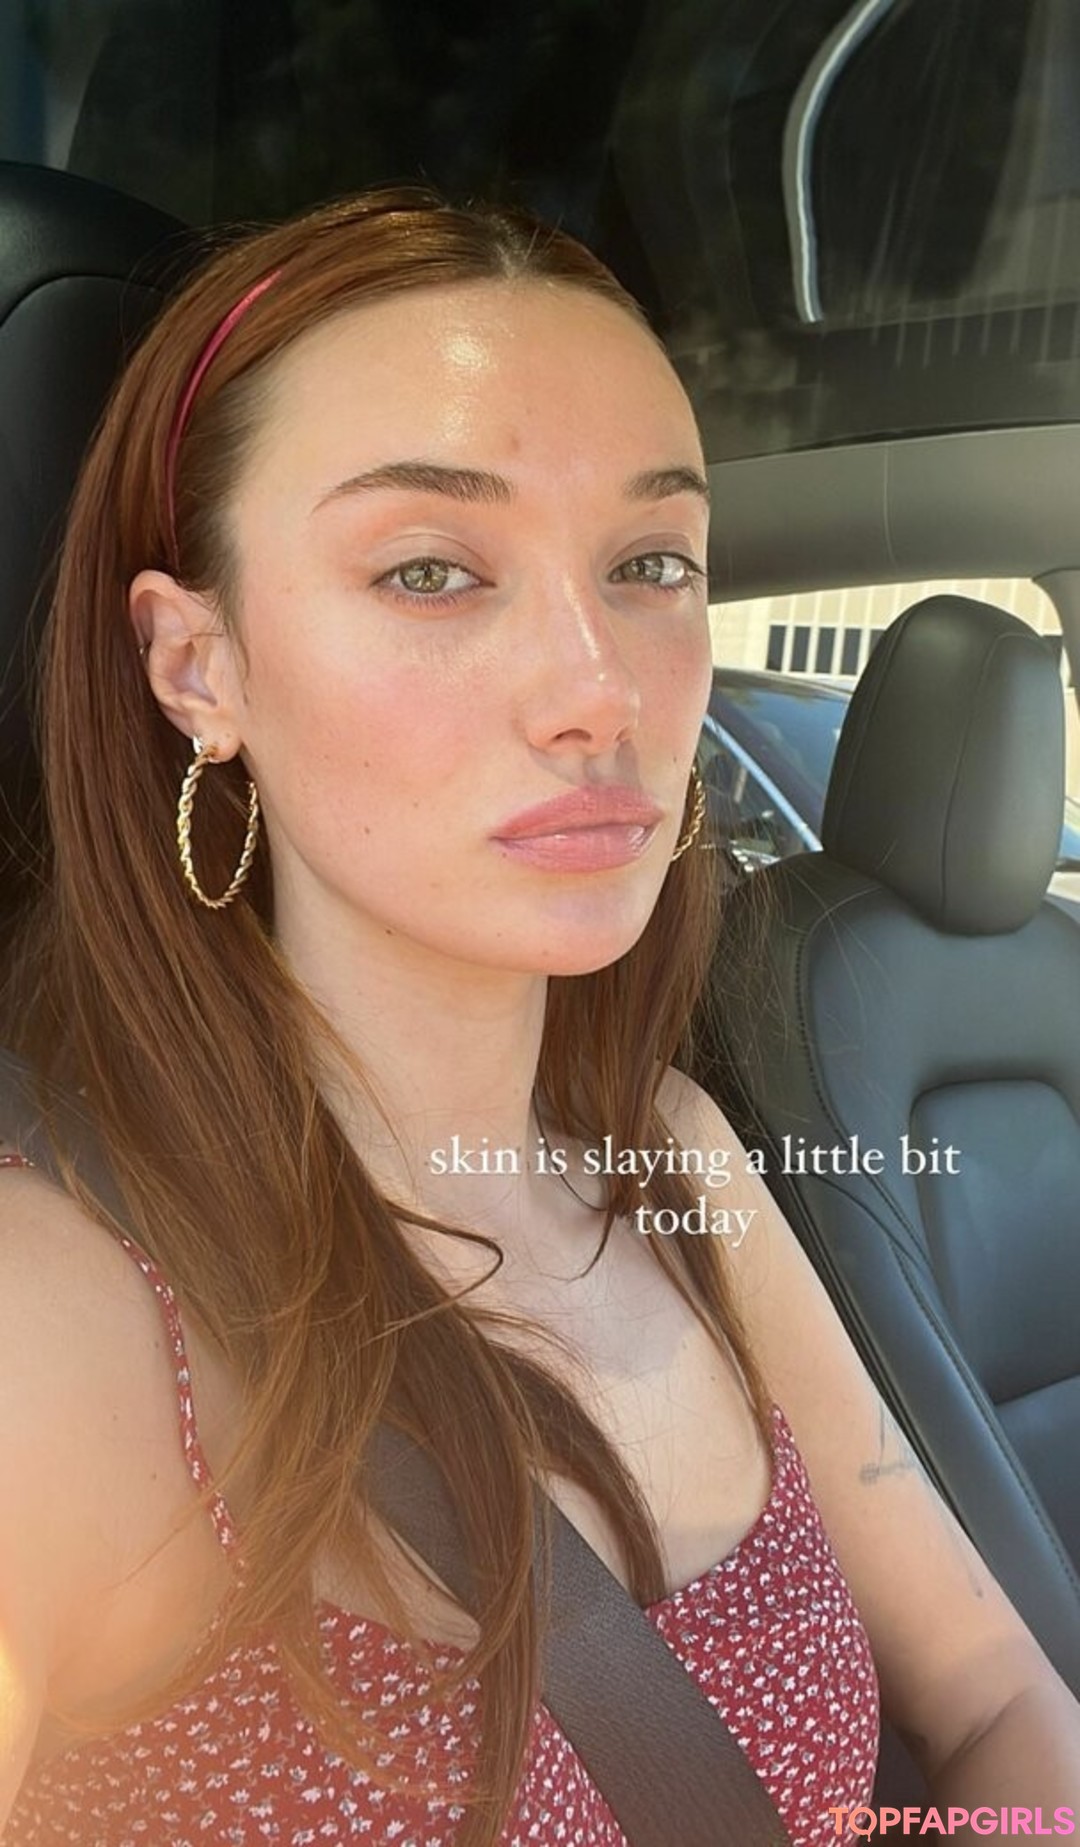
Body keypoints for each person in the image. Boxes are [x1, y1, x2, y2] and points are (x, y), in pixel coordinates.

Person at [0, 186, 1076, 1847]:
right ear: (197, 667)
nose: (601, 689)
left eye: (650, 565)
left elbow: (999, 1692)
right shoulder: (52, 1327)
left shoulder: (676, 1155)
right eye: (431, 570)